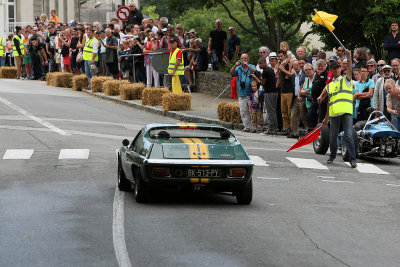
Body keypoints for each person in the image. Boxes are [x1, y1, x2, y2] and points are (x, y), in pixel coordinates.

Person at [320, 49, 357, 168]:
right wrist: (326, 119)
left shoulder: (346, 79)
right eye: (334, 68)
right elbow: (329, 102)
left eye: (337, 67)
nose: (336, 69)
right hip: (334, 113)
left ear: (340, 69)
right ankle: (332, 155)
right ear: (331, 70)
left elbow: (350, 69)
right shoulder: (330, 85)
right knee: (333, 136)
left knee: (349, 135)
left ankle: (352, 159)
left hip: (346, 111)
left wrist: (349, 58)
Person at [230, 53, 256, 132]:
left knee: (252, 111)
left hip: (251, 93)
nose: (244, 60)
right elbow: (231, 73)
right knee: (243, 111)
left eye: (245, 58)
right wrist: (235, 65)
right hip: (242, 92)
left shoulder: (252, 66)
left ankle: (253, 127)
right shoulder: (238, 68)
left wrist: (247, 65)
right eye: (242, 58)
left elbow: (255, 72)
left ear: (248, 59)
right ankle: (246, 127)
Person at [288, 60, 307, 138]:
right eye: (294, 65)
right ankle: (295, 132)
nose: (296, 66)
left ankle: (308, 131)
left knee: (303, 116)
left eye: (297, 65)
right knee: (293, 116)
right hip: (295, 98)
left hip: (302, 98)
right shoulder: (292, 76)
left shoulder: (304, 74)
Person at [260, 56, 278, 135]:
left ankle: (270, 129)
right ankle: (274, 128)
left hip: (269, 92)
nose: (260, 65)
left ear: (265, 63)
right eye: (259, 64)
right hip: (275, 92)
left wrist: (257, 79)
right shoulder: (270, 69)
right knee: (273, 111)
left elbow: (263, 83)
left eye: (261, 64)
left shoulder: (265, 71)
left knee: (270, 111)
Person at [277, 49, 294, 135]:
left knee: (289, 112)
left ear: (285, 56)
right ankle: (286, 128)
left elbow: (291, 74)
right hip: (282, 91)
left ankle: (291, 129)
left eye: (281, 56)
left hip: (289, 91)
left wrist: (283, 69)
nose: (280, 58)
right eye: (279, 56)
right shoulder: (280, 65)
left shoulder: (289, 64)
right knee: (284, 112)